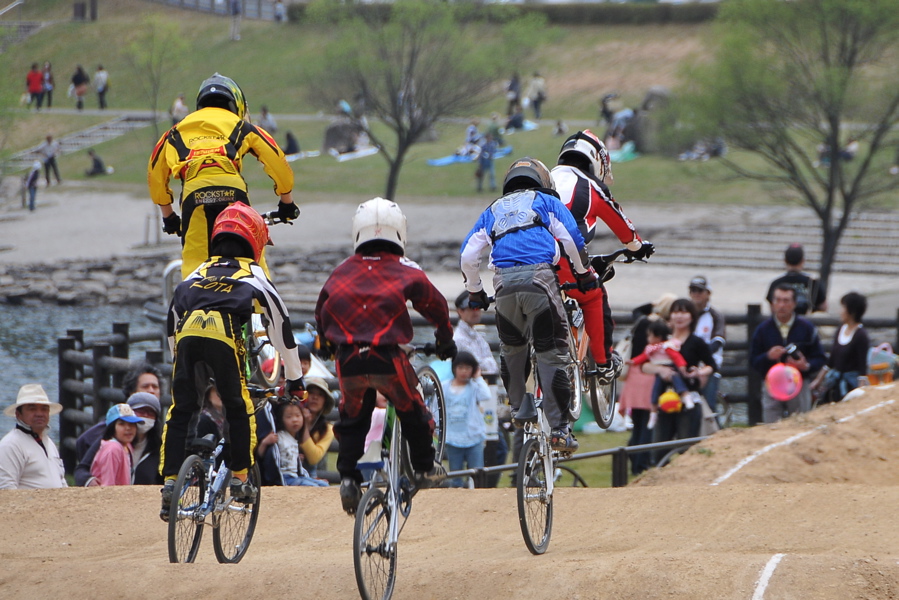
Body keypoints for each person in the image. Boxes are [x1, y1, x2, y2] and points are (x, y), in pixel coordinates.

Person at [159, 202, 306, 521]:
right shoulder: (254, 275)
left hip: (187, 335)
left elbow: (172, 317)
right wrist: (295, 378)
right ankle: (240, 478)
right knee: (237, 407)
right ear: (254, 240)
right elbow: (280, 327)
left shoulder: (198, 271)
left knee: (182, 409)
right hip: (223, 336)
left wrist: (178, 360)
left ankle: (170, 482)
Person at [315, 197, 455, 514]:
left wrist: (325, 341)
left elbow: (322, 307)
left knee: (353, 419)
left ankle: (348, 479)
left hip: (348, 358)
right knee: (413, 410)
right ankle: (423, 468)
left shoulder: (342, 270)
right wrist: (444, 339)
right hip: (386, 358)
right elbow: (436, 305)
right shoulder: (406, 268)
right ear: (400, 231)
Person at [461, 157, 599, 453]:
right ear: (544, 182)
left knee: (512, 347)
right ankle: (560, 429)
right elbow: (572, 237)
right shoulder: (546, 202)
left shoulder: (492, 211)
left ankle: (519, 408)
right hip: (540, 281)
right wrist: (584, 273)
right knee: (553, 352)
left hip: (503, 286)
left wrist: (475, 292)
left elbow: (468, 256)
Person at [147, 73, 298, 279]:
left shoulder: (174, 132)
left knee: (195, 269)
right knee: (252, 266)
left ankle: (194, 307)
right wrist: (286, 203)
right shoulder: (242, 126)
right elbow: (277, 161)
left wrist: (169, 216)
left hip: (194, 193)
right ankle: (258, 307)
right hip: (232, 189)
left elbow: (156, 175)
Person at [551, 129, 652, 381]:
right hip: (562, 260)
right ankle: (604, 363)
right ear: (596, 159)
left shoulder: (543, 178)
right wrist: (637, 247)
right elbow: (621, 225)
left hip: (519, 259)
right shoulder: (591, 186)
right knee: (594, 295)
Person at [640, 298, 716, 450]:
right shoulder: (661, 340)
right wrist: (661, 370)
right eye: (675, 312)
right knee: (659, 448)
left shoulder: (697, 342)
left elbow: (711, 365)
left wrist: (698, 372)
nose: (679, 316)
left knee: (686, 447)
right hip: (664, 397)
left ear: (692, 316)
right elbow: (644, 365)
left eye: (684, 312)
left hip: (689, 399)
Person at [751, 284, 827, 424]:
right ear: (772, 303)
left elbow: (820, 358)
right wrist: (768, 356)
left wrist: (806, 366)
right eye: (777, 300)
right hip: (771, 383)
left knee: (800, 424)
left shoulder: (807, 328)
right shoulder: (762, 330)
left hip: (798, 382)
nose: (781, 305)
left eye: (786, 301)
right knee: (771, 425)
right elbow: (753, 361)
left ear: (794, 304)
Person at [618, 293, 676, 475]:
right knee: (647, 425)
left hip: (635, 376)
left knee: (637, 424)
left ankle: (634, 460)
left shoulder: (643, 321)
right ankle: (641, 465)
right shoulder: (664, 328)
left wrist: (655, 303)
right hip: (649, 376)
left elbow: (636, 310)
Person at [453, 290, 504, 487]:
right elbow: (482, 366)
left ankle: (481, 486)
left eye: (477, 308)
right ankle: (481, 487)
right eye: (470, 308)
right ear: (460, 311)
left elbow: (489, 365)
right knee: (492, 446)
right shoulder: (460, 338)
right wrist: (482, 366)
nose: (475, 312)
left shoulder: (475, 335)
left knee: (495, 446)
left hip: (483, 397)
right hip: (474, 400)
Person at [75, 392, 163, 486]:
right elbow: (83, 469)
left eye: (151, 413)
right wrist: (89, 480)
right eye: (140, 411)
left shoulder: (158, 446)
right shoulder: (111, 446)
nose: (145, 415)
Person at [0, 384, 67, 489]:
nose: (39, 414)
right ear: (18, 414)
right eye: (32, 409)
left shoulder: (49, 442)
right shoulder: (11, 445)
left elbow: (61, 480)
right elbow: (6, 490)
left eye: (44, 409)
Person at [811, 292, 871, 404]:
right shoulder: (840, 330)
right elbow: (831, 360)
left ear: (851, 311)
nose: (840, 311)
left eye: (843, 307)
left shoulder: (861, 335)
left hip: (850, 384)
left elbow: (862, 368)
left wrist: (860, 392)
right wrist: (818, 380)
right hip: (836, 382)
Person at [441, 352, 489, 488]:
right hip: (453, 438)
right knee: (455, 476)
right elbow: (436, 407)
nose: (463, 371)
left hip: (473, 437)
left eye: (468, 368)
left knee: (477, 474)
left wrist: (478, 378)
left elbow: (486, 395)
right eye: (460, 367)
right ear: (454, 368)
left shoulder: (474, 387)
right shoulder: (444, 387)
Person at [631, 320, 698, 413]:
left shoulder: (667, 346)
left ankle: (686, 396)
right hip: (658, 371)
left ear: (658, 337)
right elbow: (643, 357)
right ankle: (653, 411)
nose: (648, 338)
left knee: (677, 381)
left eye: (650, 335)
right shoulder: (650, 348)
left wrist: (682, 366)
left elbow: (676, 356)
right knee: (656, 389)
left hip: (671, 367)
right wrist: (633, 361)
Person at [688, 275, 725, 413]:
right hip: (689, 368)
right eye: (693, 290)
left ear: (708, 293)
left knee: (709, 407)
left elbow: (718, 342)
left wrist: (699, 356)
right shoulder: (686, 314)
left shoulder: (715, 316)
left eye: (700, 290)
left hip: (709, 368)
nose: (696, 294)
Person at [272, 398, 328, 487]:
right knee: (315, 487)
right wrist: (265, 442)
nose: (294, 420)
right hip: (286, 477)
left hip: (296, 476)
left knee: (324, 485)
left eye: (298, 416)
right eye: (289, 417)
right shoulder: (279, 437)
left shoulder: (294, 437)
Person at [88, 404, 144, 486]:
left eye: (132, 424)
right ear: (112, 427)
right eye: (122, 424)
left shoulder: (127, 446)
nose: (128, 428)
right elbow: (108, 484)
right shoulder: (113, 449)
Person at [766, 243, 827, 315]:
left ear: (785, 260)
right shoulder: (814, 282)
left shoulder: (776, 283)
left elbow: (772, 308)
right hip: (809, 323)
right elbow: (823, 307)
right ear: (803, 261)